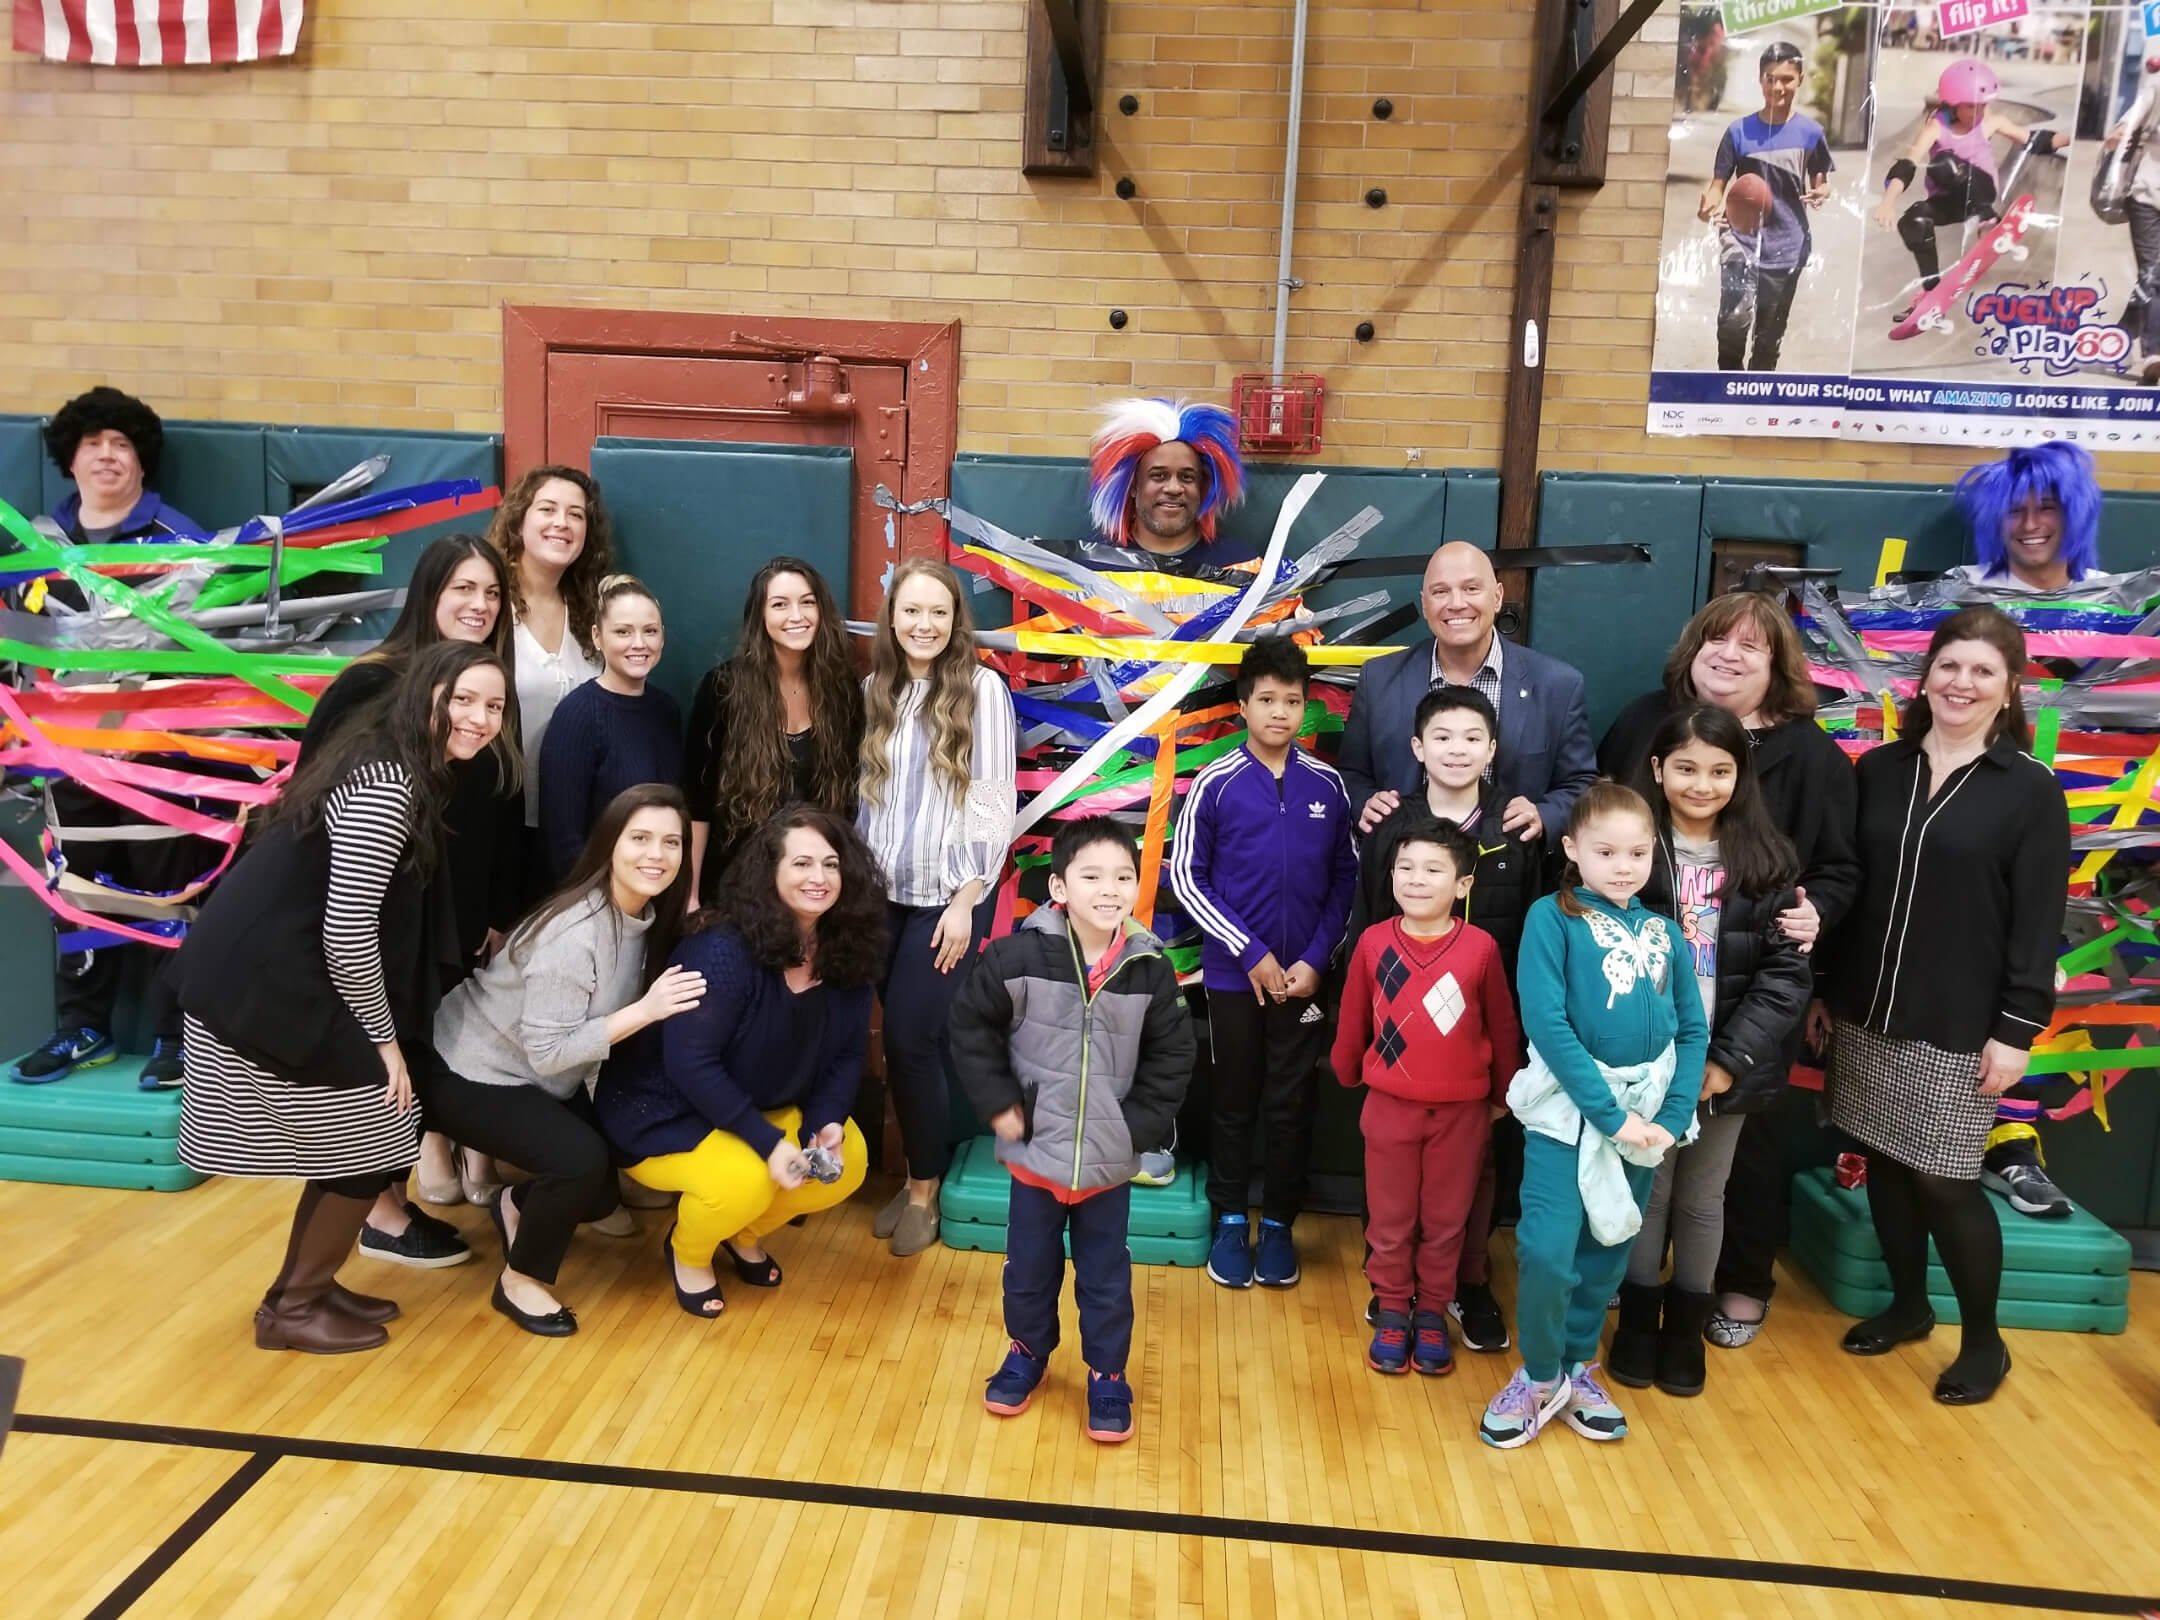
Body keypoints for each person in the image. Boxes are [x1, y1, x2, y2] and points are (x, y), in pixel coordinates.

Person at [173, 642, 509, 1354]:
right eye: (464, 700)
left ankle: (306, 1288)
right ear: (427, 696)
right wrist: (384, 1042)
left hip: (275, 967)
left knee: (369, 1139)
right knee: (376, 1130)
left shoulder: (401, 765)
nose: (479, 719)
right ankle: (293, 1306)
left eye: (494, 706)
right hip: (265, 976)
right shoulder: (390, 781)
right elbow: (348, 929)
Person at [1812, 607, 2068, 1406]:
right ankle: (1908, 1304)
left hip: (1960, 1023)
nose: (1962, 683)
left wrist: (2017, 1031)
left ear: (2010, 687)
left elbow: (2037, 924)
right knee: (1883, 1162)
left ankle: (1985, 1343)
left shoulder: (2029, 792)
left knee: (1947, 1180)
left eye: (1982, 671)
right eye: (1951, 666)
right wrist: (1825, 989)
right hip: (1865, 1011)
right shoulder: (1878, 771)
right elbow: (1847, 893)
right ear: (1925, 676)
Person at [1596, 589, 1858, 1347]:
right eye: (1716, 639)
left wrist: (1818, 915)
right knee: (1641, 1162)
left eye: (1751, 644)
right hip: (1644, 1010)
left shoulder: (1809, 755)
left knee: (1735, 1167)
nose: (1730, 654)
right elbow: (1599, 824)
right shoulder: (1646, 717)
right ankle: (1633, 1290)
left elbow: (1840, 867)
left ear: (1778, 664)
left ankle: (1736, 1285)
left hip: (1748, 997)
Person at [296, 533, 527, 1250]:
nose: (479, 604)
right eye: (463, 588)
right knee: (374, 1064)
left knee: (414, 1061)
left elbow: (496, 811)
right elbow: (312, 802)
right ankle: (376, 1216)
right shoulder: (373, 683)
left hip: (449, 918)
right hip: (376, 915)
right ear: (430, 592)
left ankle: (383, 1201)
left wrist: (489, 913)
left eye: (491, 592)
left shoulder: (489, 683)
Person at [1478, 782, 1706, 1450]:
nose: (1624, 865)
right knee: (1548, 1252)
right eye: (1606, 851)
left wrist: (1672, 1115)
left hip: (1645, 1125)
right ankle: (1540, 1374)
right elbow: (1547, 1023)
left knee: (1608, 1247)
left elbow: (1692, 1030)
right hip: (1570, 1119)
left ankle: (1579, 1365)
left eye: (1637, 852)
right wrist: (1607, 1115)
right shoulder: (1553, 918)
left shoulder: (1665, 932)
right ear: (1573, 849)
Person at [428, 785, 704, 1337]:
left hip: (537, 1074)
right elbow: (550, 1052)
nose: (657, 854)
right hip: (467, 1067)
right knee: (579, 1162)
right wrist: (647, 1011)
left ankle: (514, 1206)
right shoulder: (575, 935)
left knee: (601, 1175)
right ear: (609, 844)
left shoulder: (644, 915)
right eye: (641, 838)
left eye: (671, 842)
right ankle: (521, 1280)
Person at [954, 817, 1194, 1444]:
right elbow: (971, 1028)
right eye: (1091, 876)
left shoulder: (1148, 967)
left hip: (1109, 1168)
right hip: (1035, 1159)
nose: (1109, 889)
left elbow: (1174, 1057)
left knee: (1106, 1278)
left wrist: (1133, 1129)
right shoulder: (1016, 956)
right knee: (1028, 1270)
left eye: (1122, 876)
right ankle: (1027, 1352)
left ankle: (1107, 1373)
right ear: (1059, 887)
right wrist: (1000, 1103)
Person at [597, 806, 885, 1319]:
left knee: (848, 1162)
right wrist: (770, 1143)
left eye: (830, 864)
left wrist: (827, 1123)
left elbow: (845, 1056)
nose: (818, 878)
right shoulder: (722, 948)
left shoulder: (847, 948)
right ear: (770, 872)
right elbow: (692, 1066)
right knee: (747, 1178)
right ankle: (688, 1252)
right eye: (800, 864)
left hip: (755, 1101)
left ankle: (739, 1232)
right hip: (664, 1109)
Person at [1608, 706, 1811, 1400]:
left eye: (1720, 770)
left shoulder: (1766, 858)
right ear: (1659, 770)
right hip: (1646, 1064)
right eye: (1687, 768)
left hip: (1729, 1062)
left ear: (1740, 775)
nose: (1702, 784)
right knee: (1649, 1191)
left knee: (1702, 1197)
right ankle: (1638, 1317)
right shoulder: (1630, 849)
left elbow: (1786, 976)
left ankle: (1684, 1322)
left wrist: (1726, 1060)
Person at [11, 387, 206, 1089]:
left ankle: (177, 1037)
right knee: (82, 893)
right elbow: (22, 651)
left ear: (142, 462)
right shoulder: (36, 548)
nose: (106, 455)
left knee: (167, 893)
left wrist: (133, 726)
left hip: (162, 759)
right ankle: (82, 1031)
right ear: (69, 459)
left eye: (120, 443)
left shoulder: (181, 544)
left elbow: (199, 657)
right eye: (92, 443)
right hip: (65, 758)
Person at [1933, 444, 2102, 1218]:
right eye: (2017, 508)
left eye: (2049, 508)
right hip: (1964, 821)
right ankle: (1929, 1142)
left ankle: (2017, 1146)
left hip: (2098, 824)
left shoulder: (2117, 606)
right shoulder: (1966, 603)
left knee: (2047, 975)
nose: (2032, 524)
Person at [1345, 683, 1540, 1351]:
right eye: (1442, 737)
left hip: (1484, 1037)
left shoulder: (1516, 825)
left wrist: (1506, 1069)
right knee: (1395, 1183)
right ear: (1417, 748)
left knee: (1476, 1173)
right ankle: (1391, 1294)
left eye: (1471, 738)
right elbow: (1370, 925)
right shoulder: (1388, 824)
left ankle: (1467, 1281)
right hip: (1403, 1049)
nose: (1456, 751)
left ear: (1491, 749)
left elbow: (1534, 925)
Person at [1169, 636, 1357, 1292]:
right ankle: (1229, 1218)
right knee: (1233, 1102)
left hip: (1303, 979)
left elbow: (1345, 882)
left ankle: (1277, 1221)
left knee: (1291, 1102)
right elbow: (1188, 880)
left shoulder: (1328, 786)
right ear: (1243, 706)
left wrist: (1313, 960)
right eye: (1268, 700)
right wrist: (1248, 953)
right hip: (1231, 979)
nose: (1281, 712)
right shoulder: (1215, 785)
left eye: (1293, 701)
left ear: (1307, 709)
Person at [855, 557, 1018, 1258]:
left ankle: (923, 1189)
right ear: (893, 618)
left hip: (947, 900)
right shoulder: (874, 690)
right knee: (890, 1043)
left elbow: (991, 800)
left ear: (956, 622)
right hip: (875, 899)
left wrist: (967, 897)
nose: (924, 625)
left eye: (938, 613)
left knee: (912, 1041)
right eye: (911, 611)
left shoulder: (982, 691)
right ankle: (912, 1175)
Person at [1333, 817, 1522, 1378]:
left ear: (1463, 885)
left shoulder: (1481, 949)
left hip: (1462, 1112)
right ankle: (1393, 1307)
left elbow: (1503, 1026)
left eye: (1433, 869)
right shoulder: (1372, 942)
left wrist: (1504, 1093)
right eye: (1405, 867)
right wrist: (1347, 1071)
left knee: (1446, 1220)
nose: (1416, 879)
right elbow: (1351, 1018)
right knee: (1390, 1219)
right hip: (1389, 1107)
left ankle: (1434, 1311)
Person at [1338, 541, 1597, 845]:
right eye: (1440, 592)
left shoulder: (1558, 686)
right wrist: (1364, 801)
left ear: (1498, 596)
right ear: (1424, 604)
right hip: (1406, 874)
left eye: (1471, 589)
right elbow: (1351, 773)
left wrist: (1545, 815)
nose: (1456, 603)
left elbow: (1581, 783)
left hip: (1510, 875)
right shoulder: (1379, 678)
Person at [683, 557, 864, 904]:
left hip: (814, 889)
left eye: (807, 602)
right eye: (780, 604)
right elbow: (697, 804)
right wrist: (690, 897)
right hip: (737, 886)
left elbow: (851, 802)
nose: (796, 616)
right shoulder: (723, 688)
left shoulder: (843, 690)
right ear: (760, 616)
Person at [1872, 60, 2069, 328]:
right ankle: (1932, 291)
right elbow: (1907, 164)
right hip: (1949, 203)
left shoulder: (1991, 122)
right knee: (1913, 221)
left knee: (1945, 164)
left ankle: (1989, 223)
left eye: (1983, 105)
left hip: (1981, 193)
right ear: (1953, 104)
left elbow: (2035, 141)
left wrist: (2073, 137)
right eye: (1972, 106)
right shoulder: (1936, 127)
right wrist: (1888, 202)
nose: (1980, 112)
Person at [488, 465, 610, 894]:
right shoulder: (489, 605)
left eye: (576, 514)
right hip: (497, 821)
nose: (562, 522)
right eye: (548, 509)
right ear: (519, 520)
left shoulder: (593, 611)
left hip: (573, 826)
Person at [1699, 41, 1832, 372]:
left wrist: (1821, 192)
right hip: (1740, 239)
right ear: (1761, 79)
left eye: (1786, 78)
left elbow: (1821, 180)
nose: (1778, 87)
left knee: (1768, 339)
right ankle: (1727, 390)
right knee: (1732, 324)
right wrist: (1709, 205)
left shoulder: (1811, 133)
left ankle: (1755, 406)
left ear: (1800, 79)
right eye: (1770, 78)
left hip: (1788, 245)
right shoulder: (1738, 132)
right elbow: (1718, 185)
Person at [538, 576, 683, 880]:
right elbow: (563, 840)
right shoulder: (576, 715)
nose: (639, 644)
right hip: (597, 900)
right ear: (597, 636)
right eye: (622, 632)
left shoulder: (666, 711)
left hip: (657, 893)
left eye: (650, 631)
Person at [1064, 396, 1256, 575]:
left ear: (1202, 488)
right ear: (1133, 486)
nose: (1173, 488)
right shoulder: (1089, 565)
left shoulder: (1239, 567)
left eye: (1187, 477)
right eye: (1159, 476)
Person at [1945, 441, 2103, 598]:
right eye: (2014, 511)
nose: (2029, 525)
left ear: (2074, 516)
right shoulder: (1963, 590)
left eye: (2046, 508)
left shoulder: (2108, 595)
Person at [2104, 55, 2160, 384]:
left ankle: (2120, 335)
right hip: (2145, 195)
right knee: (2153, 274)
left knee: (2152, 278)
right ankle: (2153, 355)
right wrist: (2125, 131)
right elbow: (2124, 125)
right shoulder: (2155, 86)